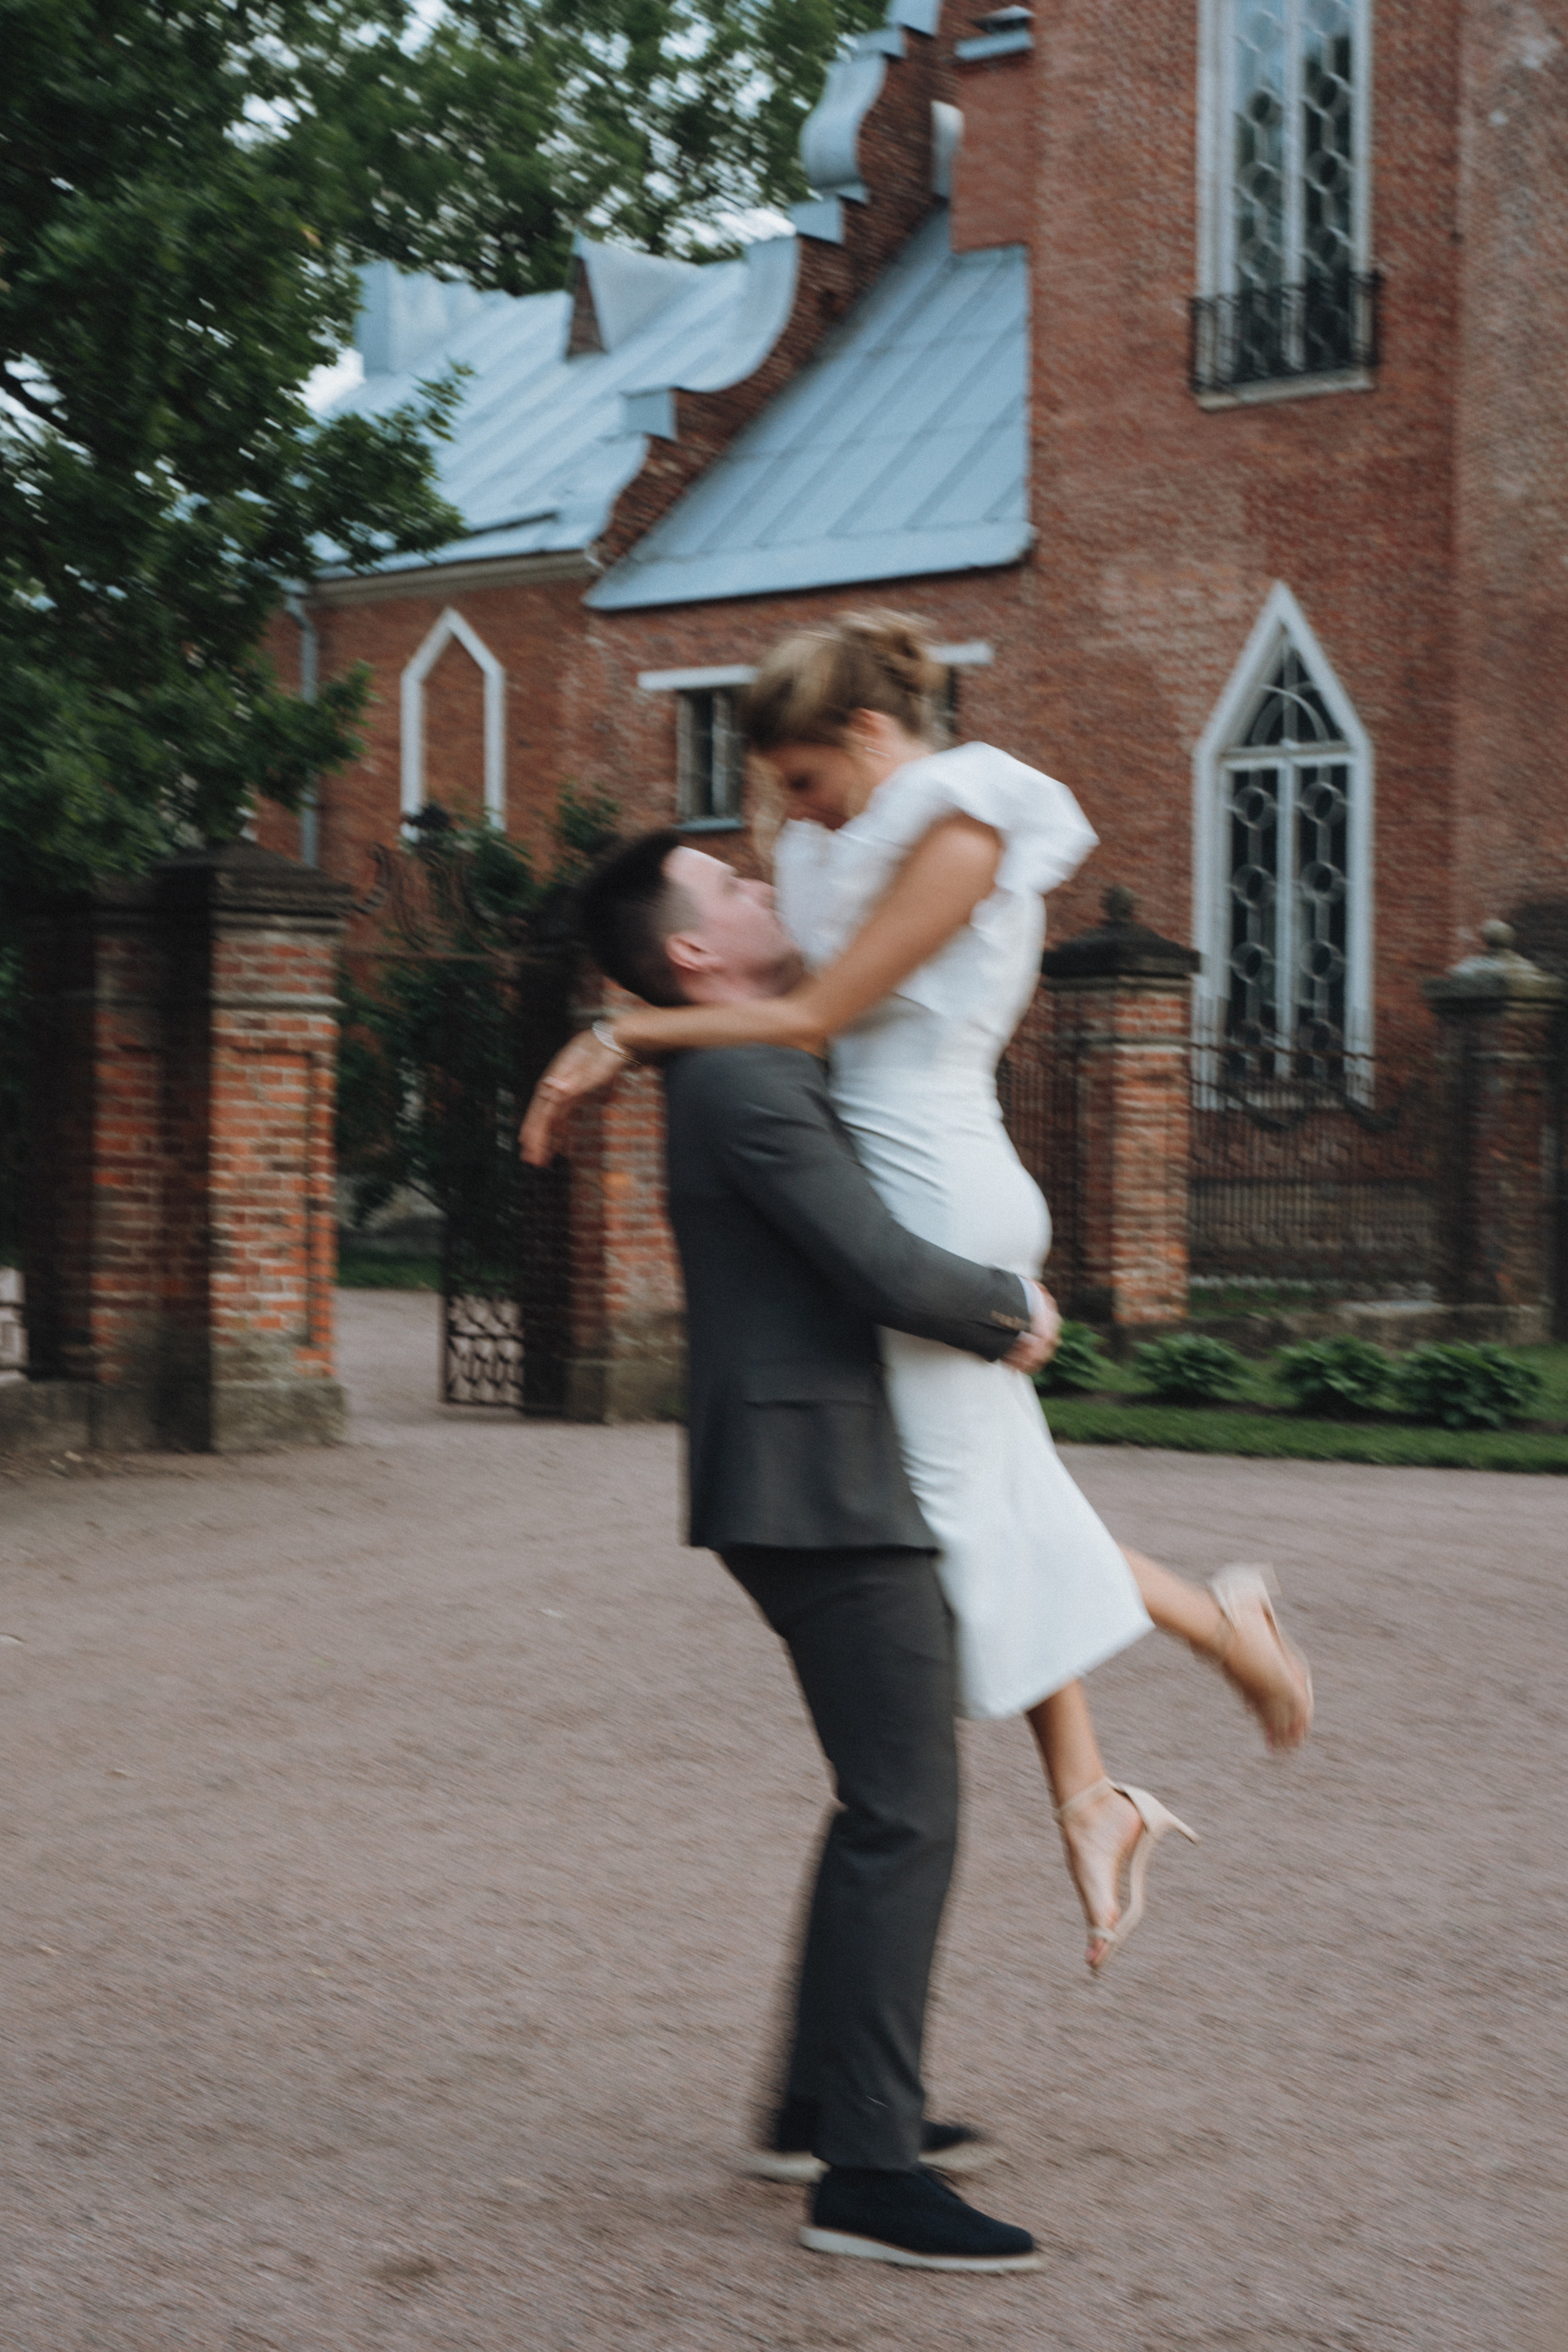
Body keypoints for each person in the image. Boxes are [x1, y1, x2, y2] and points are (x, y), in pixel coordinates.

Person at [522, 612, 1313, 1973]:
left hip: (931, 1175)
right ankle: (1092, 1792)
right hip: (903, 1160)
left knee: (965, 1507)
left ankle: (1210, 1631)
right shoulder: (862, 837)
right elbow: (784, 990)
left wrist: (626, 1030)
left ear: (872, 736)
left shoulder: (964, 830)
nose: (787, 818)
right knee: (986, 1499)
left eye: (803, 782)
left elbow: (811, 1023)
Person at [581, 828, 1051, 2271]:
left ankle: (814, 2110)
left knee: (878, 1800)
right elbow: (871, 1261)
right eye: (729, 885)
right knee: (905, 1811)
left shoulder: (736, 1055)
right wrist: (1007, 1307)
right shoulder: (739, 1078)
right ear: (690, 953)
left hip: (807, 1472)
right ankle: (866, 2173)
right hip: (812, 1484)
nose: (761, 888)